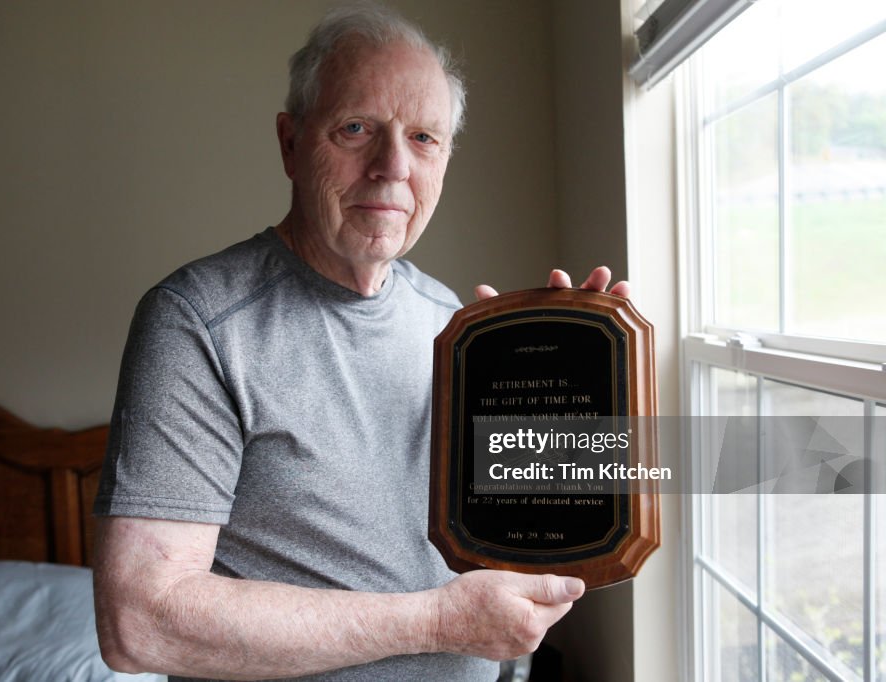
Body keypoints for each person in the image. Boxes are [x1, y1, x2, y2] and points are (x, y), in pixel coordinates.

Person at [92, 5, 628, 681]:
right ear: (291, 143)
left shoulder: (453, 321)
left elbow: (511, 541)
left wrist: (591, 382)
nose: (392, 166)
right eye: (356, 129)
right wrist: (439, 622)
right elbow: (141, 622)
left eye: (425, 138)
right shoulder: (197, 322)